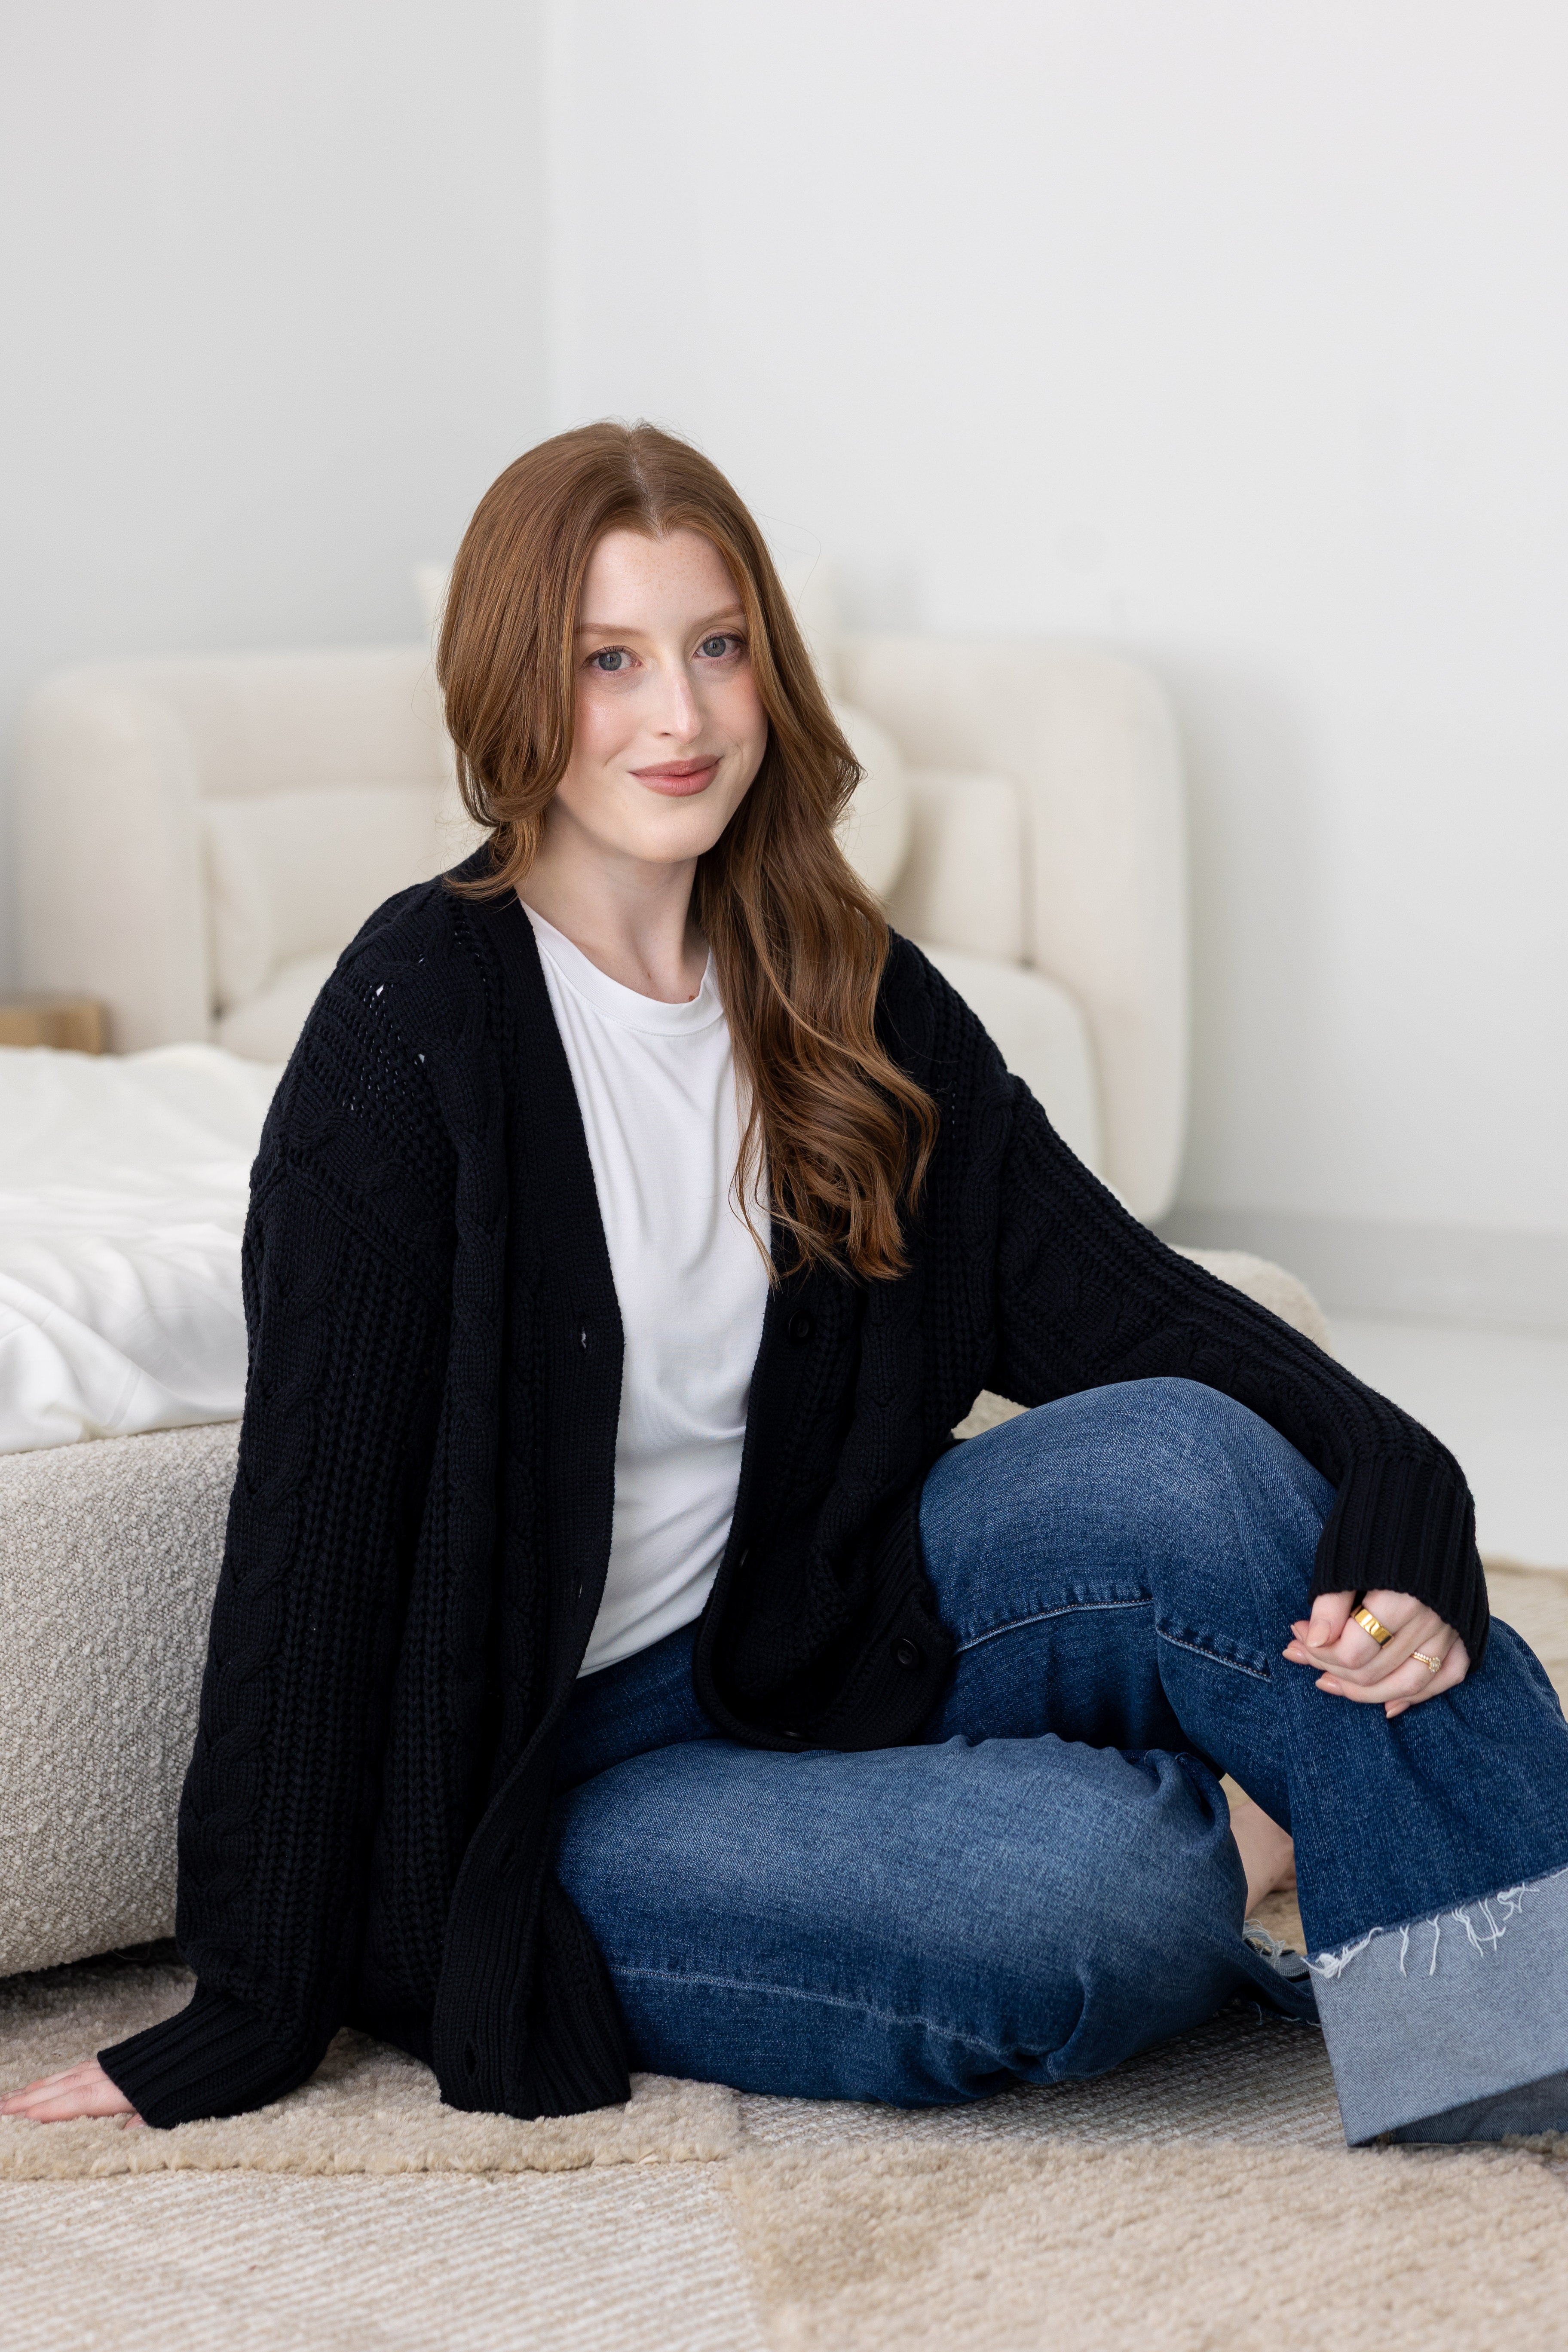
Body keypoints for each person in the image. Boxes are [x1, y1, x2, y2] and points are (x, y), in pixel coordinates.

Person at [8, 423, 1567, 2148]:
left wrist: (1400, 1473)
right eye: (611, 662)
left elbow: (1119, 1296)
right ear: (520, 686)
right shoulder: (411, 1029)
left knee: (1204, 1461)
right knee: (1089, 1903)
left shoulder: (845, 985)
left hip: (804, 1640)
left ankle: (1513, 2052)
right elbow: (311, 1539)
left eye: (717, 646)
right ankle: (1231, 1828)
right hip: (570, 1773)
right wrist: (247, 1999)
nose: (680, 719)